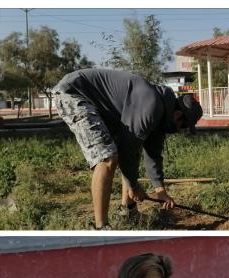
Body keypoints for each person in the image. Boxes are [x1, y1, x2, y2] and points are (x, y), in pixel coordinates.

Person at [52, 68, 203, 230]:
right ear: (178, 115)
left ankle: (128, 212)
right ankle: (101, 228)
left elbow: (153, 154)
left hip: (99, 105)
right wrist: (134, 187)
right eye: (184, 126)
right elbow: (127, 150)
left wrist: (160, 190)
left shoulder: (160, 114)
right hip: (74, 92)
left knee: (131, 152)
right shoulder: (151, 104)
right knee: (107, 158)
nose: (182, 130)